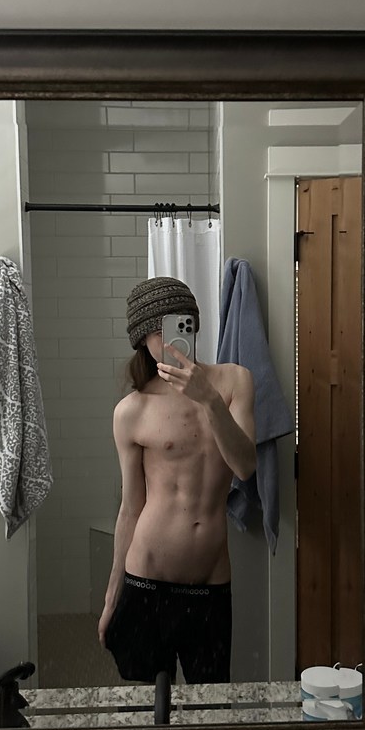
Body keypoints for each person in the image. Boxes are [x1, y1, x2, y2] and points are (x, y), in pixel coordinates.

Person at [98, 276, 256, 684]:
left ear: (194, 324)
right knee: (146, 713)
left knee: (212, 707)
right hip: (146, 582)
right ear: (142, 339)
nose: (168, 339)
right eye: (158, 330)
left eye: (179, 323)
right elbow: (131, 509)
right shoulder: (132, 410)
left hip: (210, 585)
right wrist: (112, 595)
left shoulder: (234, 382)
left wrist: (208, 400)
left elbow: (245, 466)